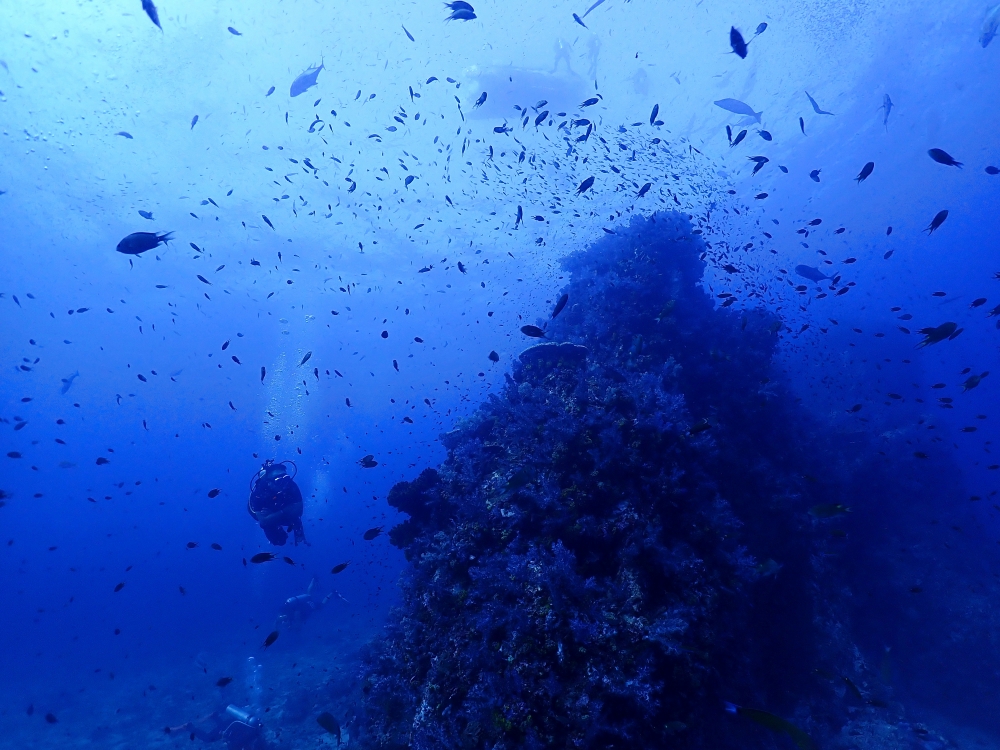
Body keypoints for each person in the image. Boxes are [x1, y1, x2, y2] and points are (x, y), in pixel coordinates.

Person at [248, 460, 306, 546]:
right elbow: (264, 521)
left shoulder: (291, 485)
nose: (284, 483)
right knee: (279, 541)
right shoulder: (259, 494)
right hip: (263, 514)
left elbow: (299, 512)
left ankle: (297, 529)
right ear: (268, 482)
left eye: (285, 478)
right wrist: (285, 511)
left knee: (295, 519)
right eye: (278, 480)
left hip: (276, 512)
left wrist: (273, 514)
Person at [169, 705, 270, 750]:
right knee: (208, 738)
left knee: (223, 728)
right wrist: (225, 736)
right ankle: (189, 727)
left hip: (234, 723)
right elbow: (230, 742)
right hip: (231, 727)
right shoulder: (246, 741)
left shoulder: (255, 736)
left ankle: (215, 717)